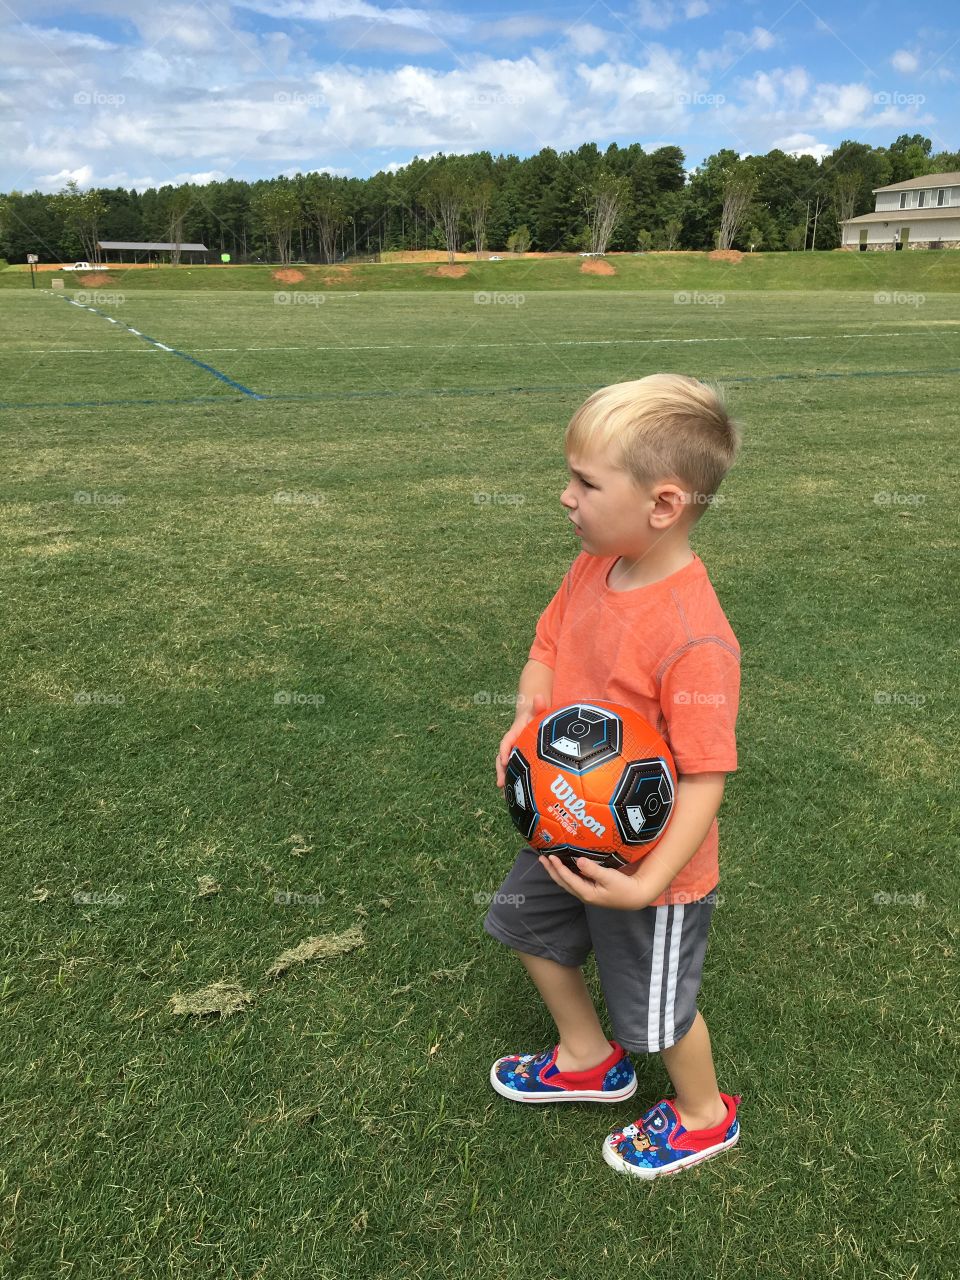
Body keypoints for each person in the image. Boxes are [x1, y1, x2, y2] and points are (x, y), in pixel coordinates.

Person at [483, 373, 744, 1178]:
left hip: (654, 874)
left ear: (662, 504)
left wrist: (647, 882)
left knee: (659, 1014)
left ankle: (703, 1116)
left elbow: (703, 779)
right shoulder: (593, 570)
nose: (566, 498)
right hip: (566, 827)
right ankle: (589, 1059)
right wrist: (529, 715)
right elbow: (549, 648)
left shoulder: (695, 639)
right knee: (523, 926)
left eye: (586, 483)